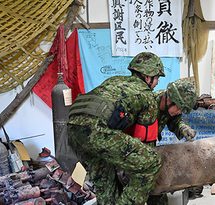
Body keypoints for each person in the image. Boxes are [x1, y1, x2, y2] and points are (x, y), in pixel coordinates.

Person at [67, 52, 165, 205]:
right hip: (97, 131)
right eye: (157, 78)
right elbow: (146, 140)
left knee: (105, 178)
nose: (157, 83)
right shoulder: (146, 95)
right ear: (148, 77)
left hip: (73, 130)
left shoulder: (114, 80)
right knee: (152, 161)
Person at [147, 77, 198, 205]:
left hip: (147, 155)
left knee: (158, 195)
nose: (179, 112)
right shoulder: (148, 104)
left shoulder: (168, 108)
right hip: (127, 155)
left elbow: (175, 121)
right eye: (179, 108)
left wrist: (183, 128)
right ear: (170, 99)